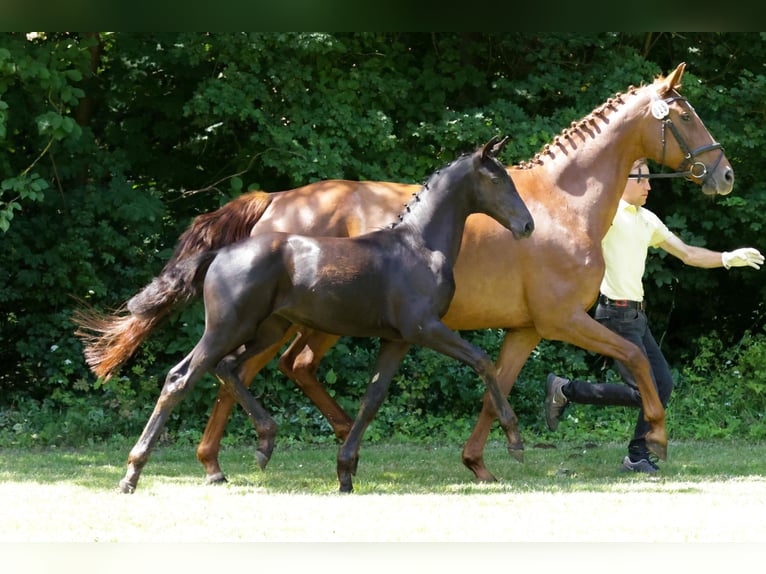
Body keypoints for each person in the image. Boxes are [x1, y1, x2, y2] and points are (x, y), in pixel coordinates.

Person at [544, 158, 764, 473]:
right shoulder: (606, 213)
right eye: (643, 180)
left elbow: (688, 253)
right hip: (614, 314)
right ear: (624, 180)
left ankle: (636, 455)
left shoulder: (648, 220)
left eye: (649, 180)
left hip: (637, 318)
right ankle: (567, 390)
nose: (649, 186)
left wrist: (728, 258)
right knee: (643, 392)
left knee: (662, 384)